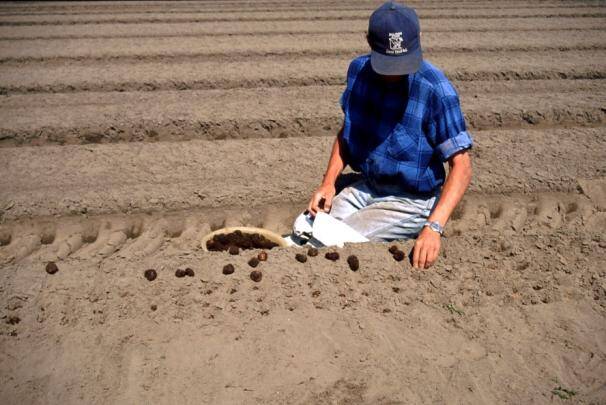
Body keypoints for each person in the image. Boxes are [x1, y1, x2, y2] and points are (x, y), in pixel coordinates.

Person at [307, 1, 473, 269]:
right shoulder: (358, 73)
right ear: (369, 43)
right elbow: (347, 133)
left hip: (412, 200)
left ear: (418, 42)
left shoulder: (436, 90)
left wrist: (433, 227)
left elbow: (461, 166)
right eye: (388, 64)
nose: (396, 73)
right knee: (307, 227)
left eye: (403, 63)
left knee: (333, 242)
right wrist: (328, 183)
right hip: (369, 185)